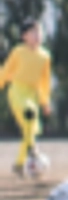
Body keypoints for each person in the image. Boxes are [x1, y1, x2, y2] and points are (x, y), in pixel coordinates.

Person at [0, 19, 52, 176]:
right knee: (29, 114)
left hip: (32, 94)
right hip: (17, 92)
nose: (37, 36)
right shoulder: (18, 51)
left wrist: (45, 102)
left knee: (30, 131)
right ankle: (33, 153)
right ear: (24, 36)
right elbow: (6, 69)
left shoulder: (45, 56)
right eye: (33, 33)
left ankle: (20, 163)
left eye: (39, 32)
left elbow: (45, 82)